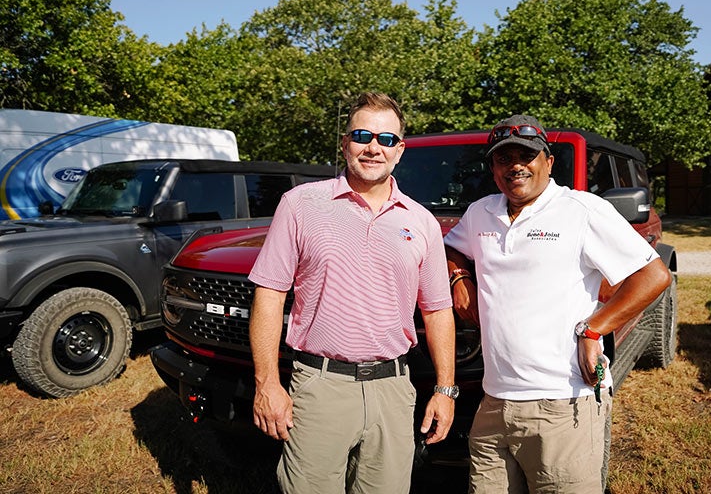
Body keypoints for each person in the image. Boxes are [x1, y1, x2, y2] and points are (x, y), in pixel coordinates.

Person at [444, 114, 671, 493]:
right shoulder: (480, 212)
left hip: (563, 404)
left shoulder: (581, 210)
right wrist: (458, 275)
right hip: (493, 402)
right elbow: (450, 248)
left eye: (526, 156)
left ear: (548, 162)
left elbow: (653, 276)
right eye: (504, 158)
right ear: (494, 168)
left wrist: (594, 328)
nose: (515, 165)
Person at [247, 92, 457, 493]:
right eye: (362, 135)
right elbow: (270, 295)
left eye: (387, 139)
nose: (374, 147)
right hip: (320, 386)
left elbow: (437, 310)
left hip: (393, 390)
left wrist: (445, 390)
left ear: (400, 151)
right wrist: (267, 384)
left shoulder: (422, 222)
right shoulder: (300, 204)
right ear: (345, 143)